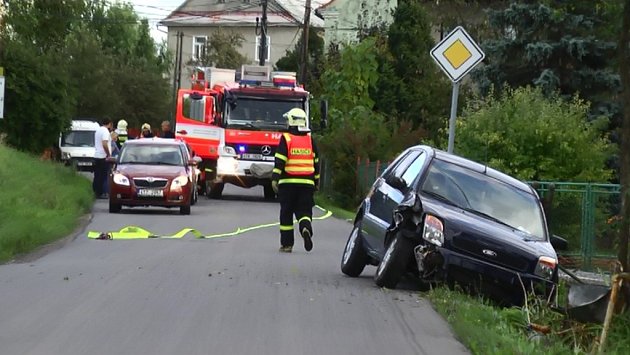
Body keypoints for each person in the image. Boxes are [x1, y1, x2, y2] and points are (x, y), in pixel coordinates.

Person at [271, 108, 320, 253]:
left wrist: (275, 179)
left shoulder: (286, 138)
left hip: (288, 184)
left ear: (292, 121)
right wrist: (316, 181)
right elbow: (316, 162)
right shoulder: (310, 140)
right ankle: (305, 227)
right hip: (307, 184)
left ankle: (287, 245)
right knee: (304, 211)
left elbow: (280, 160)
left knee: (286, 213)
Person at [93, 117, 113, 199]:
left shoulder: (98, 130)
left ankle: (96, 192)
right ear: (109, 123)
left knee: (97, 175)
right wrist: (108, 154)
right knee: (104, 176)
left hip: (97, 155)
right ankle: (104, 192)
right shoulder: (105, 131)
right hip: (103, 156)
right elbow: (104, 143)